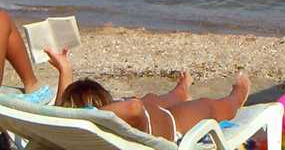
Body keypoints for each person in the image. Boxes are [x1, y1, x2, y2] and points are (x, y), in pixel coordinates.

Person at [48, 48, 250, 141]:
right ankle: (237, 96)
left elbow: (57, 115)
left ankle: (181, 90)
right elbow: (134, 106)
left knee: (152, 98)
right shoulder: (112, 124)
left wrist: (65, 71)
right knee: (207, 106)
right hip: (172, 123)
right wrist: (91, 115)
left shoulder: (67, 133)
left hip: (152, 111)